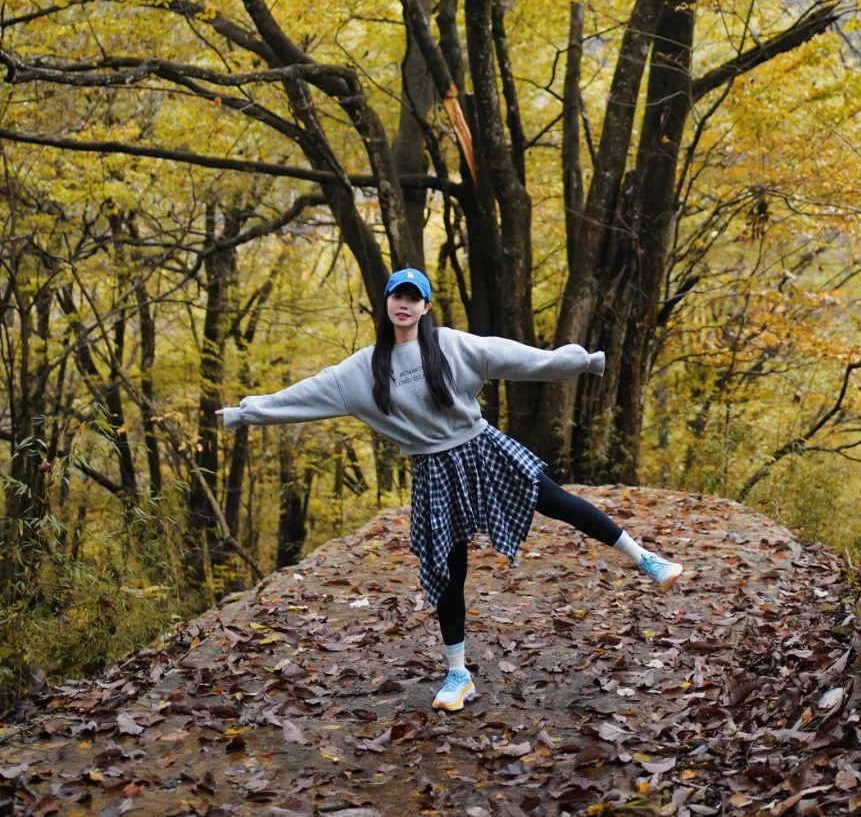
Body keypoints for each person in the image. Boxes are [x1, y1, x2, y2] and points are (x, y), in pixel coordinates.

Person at [218, 268, 683, 712]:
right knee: (449, 568)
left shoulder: (450, 346)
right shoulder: (361, 371)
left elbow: (517, 357)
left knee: (555, 500)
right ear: (386, 303)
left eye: (413, 297)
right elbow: (304, 396)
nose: (404, 304)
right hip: (434, 472)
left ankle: (644, 557)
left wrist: (578, 362)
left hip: (482, 448)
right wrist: (246, 412)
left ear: (425, 306)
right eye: (397, 296)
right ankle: (458, 674)